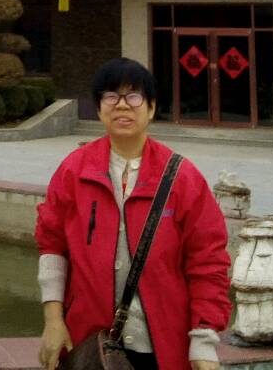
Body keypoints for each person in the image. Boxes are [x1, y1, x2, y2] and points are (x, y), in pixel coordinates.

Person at [35, 58, 231, 370]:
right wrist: (53, 320)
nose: (122, 105)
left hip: (162, 346)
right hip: (94, 345)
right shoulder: (74, 171)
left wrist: (203, 340)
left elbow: (208, 261)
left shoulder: (181, 177)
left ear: (151, 108)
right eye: (111, 96)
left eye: (134, 96)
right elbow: (52, 246)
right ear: (99, 108)